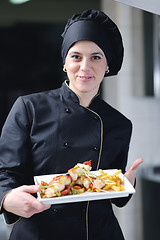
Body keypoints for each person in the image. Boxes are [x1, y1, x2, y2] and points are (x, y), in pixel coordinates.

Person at [0, 9, 143, 240]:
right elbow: (4, 172)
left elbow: (114, 196)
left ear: (107, 65)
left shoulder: (119, 123)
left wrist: (127, 183)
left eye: (96, 57)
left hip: (99, 233)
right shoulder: (29, 108)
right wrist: (6, 198)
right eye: (76, 56)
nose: (85, 66)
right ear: (65, 63)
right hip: (39, 233)